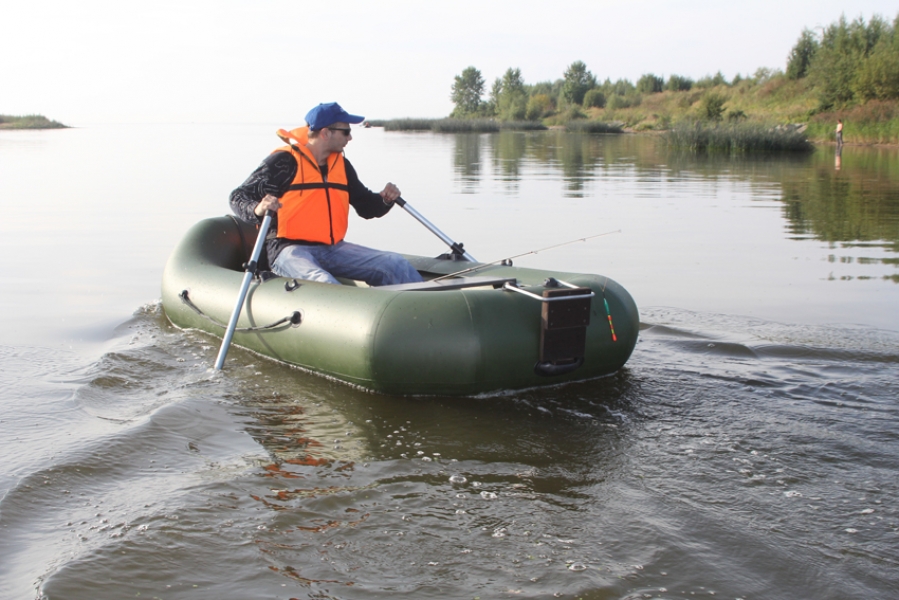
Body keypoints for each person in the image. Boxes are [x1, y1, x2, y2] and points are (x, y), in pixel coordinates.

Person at [230, 102, 423, 286]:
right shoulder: (283, 162)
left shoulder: (342, 167)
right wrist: (258, 208)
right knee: (325, 284)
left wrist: (385, 200)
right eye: (346, 131)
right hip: (288, 250)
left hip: (333, 249)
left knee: (395, 265)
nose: (350, 138)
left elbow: (366, 207)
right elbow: (238, 196)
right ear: (325, 133)